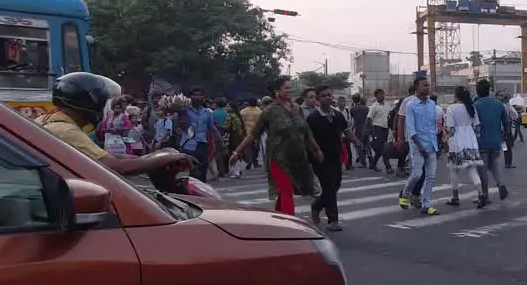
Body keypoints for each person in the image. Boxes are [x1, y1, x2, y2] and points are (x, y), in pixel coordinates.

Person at [38, 72, 196, 177]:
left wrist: (157, 157)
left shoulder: (47, 121)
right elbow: (117, 167)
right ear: (91, 102)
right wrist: (169, 158)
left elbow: (104, 156)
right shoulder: (66, 131)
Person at [230, 77, 322, 216]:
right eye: (286, 87)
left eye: (290, 87)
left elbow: (306, 132)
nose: (289, 90)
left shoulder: (296, 108)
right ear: (276, 91)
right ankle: (290, 226)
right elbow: (253, 134)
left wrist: (316, 150)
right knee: (286, 191)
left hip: (297, 158)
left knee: (286, 191)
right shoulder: (269, 111)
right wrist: (237, 152)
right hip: (278, 159)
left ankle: (279, 218)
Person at [307, 86, 357, 231]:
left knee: (335, 186)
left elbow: (346, 131)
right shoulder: (313, 118)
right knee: (328, 186)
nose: (328, 97)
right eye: (324, 96)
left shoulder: (338, 115)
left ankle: (316, 206)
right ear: (317, 99)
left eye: (329, 95)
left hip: (335, 157)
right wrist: (315, 152)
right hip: (320, 159)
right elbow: (308, 139)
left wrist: (357, 142)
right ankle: (332, 220)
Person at [400, 77, 441, 216]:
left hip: (432, 144)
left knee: (431, 176)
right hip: (417, 145)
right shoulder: (411, 105)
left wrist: (438, 141)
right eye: (425, 85)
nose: (428, 87)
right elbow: (411, 128)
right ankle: (405, 193)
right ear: (417, 88)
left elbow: (433, 125)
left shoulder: (432, 104)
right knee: (417, 174)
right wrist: (419, 145)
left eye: (429, 85)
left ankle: (426, 204)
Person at [444, 85, 489, 207]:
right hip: (470, 140)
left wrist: (447, 140)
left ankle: (455, 196)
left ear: (456, 96)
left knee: (454, 168)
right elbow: (477, 126)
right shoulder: (471, 107)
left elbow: (450, 129)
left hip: (457, 141)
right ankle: (481, 193)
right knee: (472, 168)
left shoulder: (451, 108)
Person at [473, 80, 511, 201]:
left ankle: (485, 195)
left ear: (477, 91)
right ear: (489, 90)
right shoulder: (498, 104)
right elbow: (506, 122)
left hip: (481, 142)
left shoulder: (476, 105)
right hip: (496, 141)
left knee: (482, 169)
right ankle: (500, 183)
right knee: (494, 165)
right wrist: (506, 134)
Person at [182, 87, 221, 182]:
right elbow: (181, 125)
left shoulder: (207, 112)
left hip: (203, 144)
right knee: (193, 172)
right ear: (190, 97)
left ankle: (201, 191)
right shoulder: (184, 111)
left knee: (203, 169)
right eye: (195, 95)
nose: (197, 97)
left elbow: (212, 128)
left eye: (200, 95)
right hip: (188, 145)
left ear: (203, 97)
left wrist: (220, 143)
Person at [366, 89, 390, 171]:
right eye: (380, 94)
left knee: (384, 148)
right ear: (376, 96)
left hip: (385, 128)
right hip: (377, 128)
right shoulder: (374, 106)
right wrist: (372, 131)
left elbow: (388, 116)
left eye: (383, 94)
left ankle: (372, 164)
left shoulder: (387, 105)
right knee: (381, 148)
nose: (383, 96)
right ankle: (387, 166)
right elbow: (369, 119)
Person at [239, 98, 262, 169]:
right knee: (256, 147)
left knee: (248, 148)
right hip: (256, 131)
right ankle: (255, 161)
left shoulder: (243, 111)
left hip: (246, 132)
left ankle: (249, 160)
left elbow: (241, 122)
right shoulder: (259, 111)